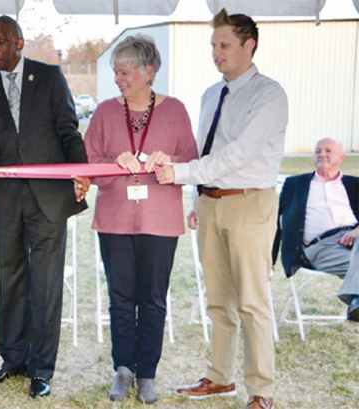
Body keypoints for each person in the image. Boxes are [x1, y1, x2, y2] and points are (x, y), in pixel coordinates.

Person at [155, 9, 288, 409]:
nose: (216, 53)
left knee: (252, 302)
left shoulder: (269, 95)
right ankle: (219, 377)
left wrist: (179, 173)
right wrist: (197, 194)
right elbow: (204, 150)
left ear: (250, 45)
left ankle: (261, 390)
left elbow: (237, 156)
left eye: (225, 45)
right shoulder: (211, 94)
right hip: (211, 205)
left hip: (250, 203)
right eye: (213, 45)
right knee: (218, 301)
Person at [0, 16, 87, 398]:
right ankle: (13, 359)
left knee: (46, 284)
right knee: (11, 279)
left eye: (0, 42)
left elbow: (68, 131)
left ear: (19, 42)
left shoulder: (50, 78)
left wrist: (81, 173)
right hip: (8, 202)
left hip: (49, 198)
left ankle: (41, 368)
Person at [84, 34, 198, 404]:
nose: (118, 79)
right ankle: (123, 370)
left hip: (160, 222)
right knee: (120, 298)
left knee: (152, 299)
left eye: (126, 72)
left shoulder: (176, 111)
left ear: (149, 71)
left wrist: (173, 165)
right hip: (115, 220)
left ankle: (147, 372)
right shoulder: (103, 112)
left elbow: (191, 162)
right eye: (116, 72)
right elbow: (88, 165)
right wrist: (113, 162)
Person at [273, 138, 359, 322]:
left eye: (328, 150)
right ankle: (356, 300)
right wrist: (269, 259)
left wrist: (356, 231)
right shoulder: (296, 184)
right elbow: (276, 222)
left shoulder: (355, 184)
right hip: (322, 247)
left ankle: (356, 301)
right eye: (318, 151)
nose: (322, 154)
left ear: (341, 157)